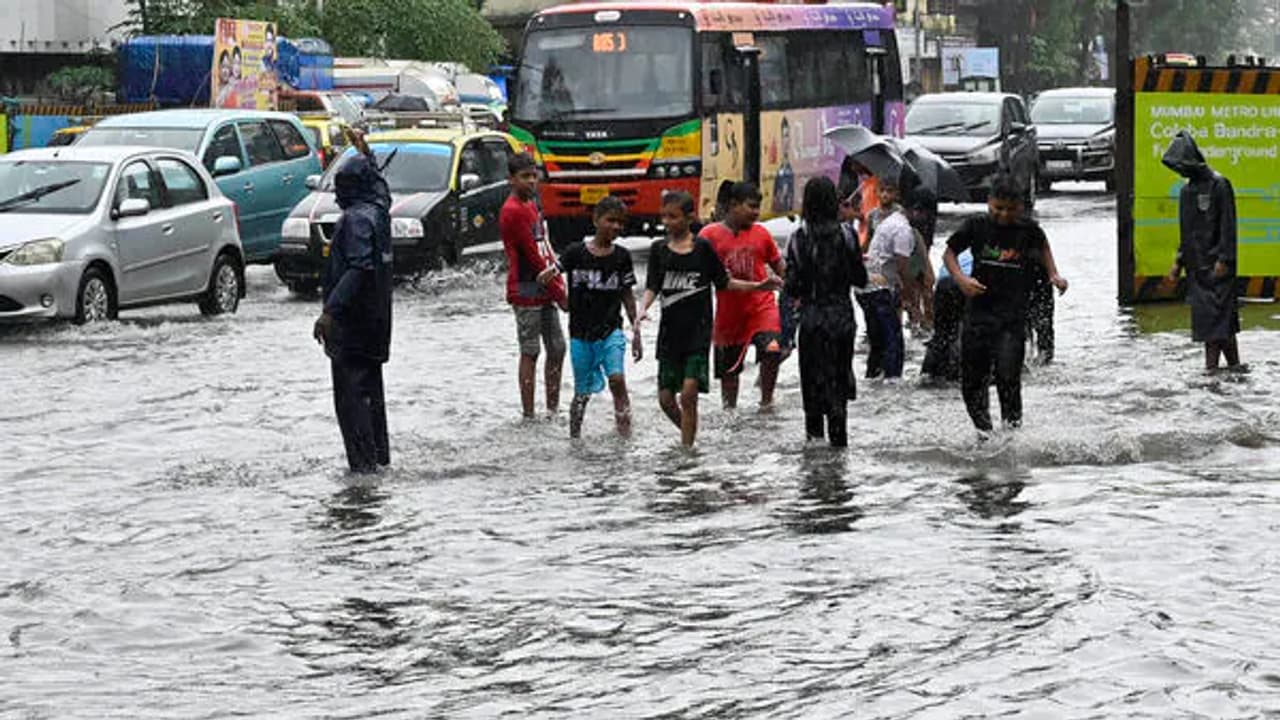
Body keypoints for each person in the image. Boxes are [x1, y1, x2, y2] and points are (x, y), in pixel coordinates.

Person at [636, 191, 779, 448]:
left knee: (689, 394)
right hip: (669, 335)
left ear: (690, 218)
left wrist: (759, 286)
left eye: (673, 216)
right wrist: (641, 309)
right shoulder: (658, 250)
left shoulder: (703, 249)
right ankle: (691, 434)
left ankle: (687, 453)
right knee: (666, 399)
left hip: (698, 334)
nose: (667, 222)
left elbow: (725, 283)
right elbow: (652, 286)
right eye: (664, 217)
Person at [943, 174, 1069, 432]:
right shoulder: (976, 226)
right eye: (998, 208)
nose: (1003, 214)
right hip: (978, 315)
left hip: (1012, 318)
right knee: (972, 382)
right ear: (989, 202)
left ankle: (1011, 438)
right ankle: (984, 433)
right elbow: (949, 253)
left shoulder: (1028, 229)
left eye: (1010, 210)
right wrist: (961, 279)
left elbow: (1043, 246)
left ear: (1021, 206)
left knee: (1008, 377)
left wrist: (1054, 274)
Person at [313, 146, 393, 474]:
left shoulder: (356, 220)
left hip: (353, 327)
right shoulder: (379, 212)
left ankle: (362, 470)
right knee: (373, 396)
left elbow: (358, 268)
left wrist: (330, 311)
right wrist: (368, 157)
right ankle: (379, 459)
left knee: (352, 400)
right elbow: (382, 191)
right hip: (377, 325)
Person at [539, 196, 639, 438]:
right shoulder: (575, 253)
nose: (616, 227)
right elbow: (550, 276)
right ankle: (575, 438)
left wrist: (636, 333)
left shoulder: (622, 257)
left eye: (620, 223)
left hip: (611, 331)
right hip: (581, 335)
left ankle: (624, 435)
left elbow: (627, 295)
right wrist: (560, 298)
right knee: (582, 393)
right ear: (596, 220)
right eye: (610, 220)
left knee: (617, 379)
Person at [785, 177, 869, 447]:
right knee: (838, 383)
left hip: (812, 320)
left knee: (812, 383)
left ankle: (814, 450)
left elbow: (793, 288)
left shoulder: (798, 238)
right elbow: (860, 278)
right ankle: (838, 451)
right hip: (842, 318)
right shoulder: (848, 235)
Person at [698, 182, 786, 410]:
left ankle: (766, 403)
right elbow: (697, 270)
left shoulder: (762, 234)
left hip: (762, 307)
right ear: (733, 205)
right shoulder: (709, 235)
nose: (756, 213)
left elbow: (778, 265)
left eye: (758, 207)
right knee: (729, 373)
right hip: (729, 315)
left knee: (773, 350)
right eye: (752, 207)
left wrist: (793, 289)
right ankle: (730, 413)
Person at [1163, 130, 1242, 371]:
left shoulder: (1219, 184)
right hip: (1198, 270)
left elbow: (1228, 225)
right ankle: (1235, 370)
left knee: (1214, 326)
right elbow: (1186, 232)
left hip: (1218, 268)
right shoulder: (1187, 192)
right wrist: (1178, 263)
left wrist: (1224, 258)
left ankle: (1210, 375)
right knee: (1221, 324)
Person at [501, 152, 567, 420]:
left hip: (545, 285)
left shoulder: (532, 204)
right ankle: (529, 414)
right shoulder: (513, 211)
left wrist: (557, 282)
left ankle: (552, 409)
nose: (531, 182)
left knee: (557, 348)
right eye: (524, 177)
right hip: (526, 288)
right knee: (530, 351)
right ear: (511, 180)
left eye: (533, 176)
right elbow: (532, 255)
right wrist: (560, 292)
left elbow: (545, 247)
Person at [857, 179, 913, 380]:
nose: (885, 195)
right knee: (892, 340)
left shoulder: (893, 220)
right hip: (880, 286)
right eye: (883, 191)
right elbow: (903, 264)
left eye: (890, 191)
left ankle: (873, 377)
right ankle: (892, 381)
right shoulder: (900, 227)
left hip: (868, 286)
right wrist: (908, 293)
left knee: (878, 339)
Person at [920, 249, 972, 383]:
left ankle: (930, 373)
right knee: (968, 331)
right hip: (966, 283)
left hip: (943, 284)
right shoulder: (993, 250)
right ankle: (960, 374)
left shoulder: (961, 249)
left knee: (942, 335)